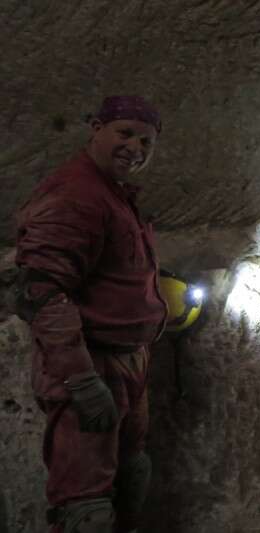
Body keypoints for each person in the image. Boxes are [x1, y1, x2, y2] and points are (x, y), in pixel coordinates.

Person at [14, 96, 167, 533]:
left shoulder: (113, 195)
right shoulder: (75, 194)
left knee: (130, 476)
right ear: (96, 128)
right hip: (91, 361)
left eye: (146, 140)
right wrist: (80, 378)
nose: (136, 146)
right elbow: (41, 292)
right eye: (124, 133)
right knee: (86, 506)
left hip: (127, 360)